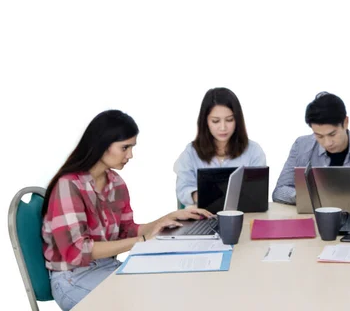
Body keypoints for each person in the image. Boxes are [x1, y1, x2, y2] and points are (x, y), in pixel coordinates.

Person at [42, 110, 213, 311]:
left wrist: (166, 219)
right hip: (72, 278)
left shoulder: (116, 183)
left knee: (170, 289)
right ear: (102, 144)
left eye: (131, 148)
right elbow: (76, 252)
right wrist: (141, 241)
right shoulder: (68, 185)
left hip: (107, 268)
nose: (130, 155)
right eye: (125, 148)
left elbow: (126, 232)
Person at [272, 92, 350, 204]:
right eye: (319, 136)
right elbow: (279, 191)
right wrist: (305, 197)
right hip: (316, 217)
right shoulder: (301, 146)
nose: (327, 143)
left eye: (332, 134)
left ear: (346, 122)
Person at [175, 87, 266, 206]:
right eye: (215, 121)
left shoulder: (253, 151)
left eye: (229, 120)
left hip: (244, 215)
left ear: (237, 120)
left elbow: (258, 193)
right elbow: (183, 190)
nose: (223, 127)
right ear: (205, 121)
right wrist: (201, 196)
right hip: (203, 215)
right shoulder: (191, 152)